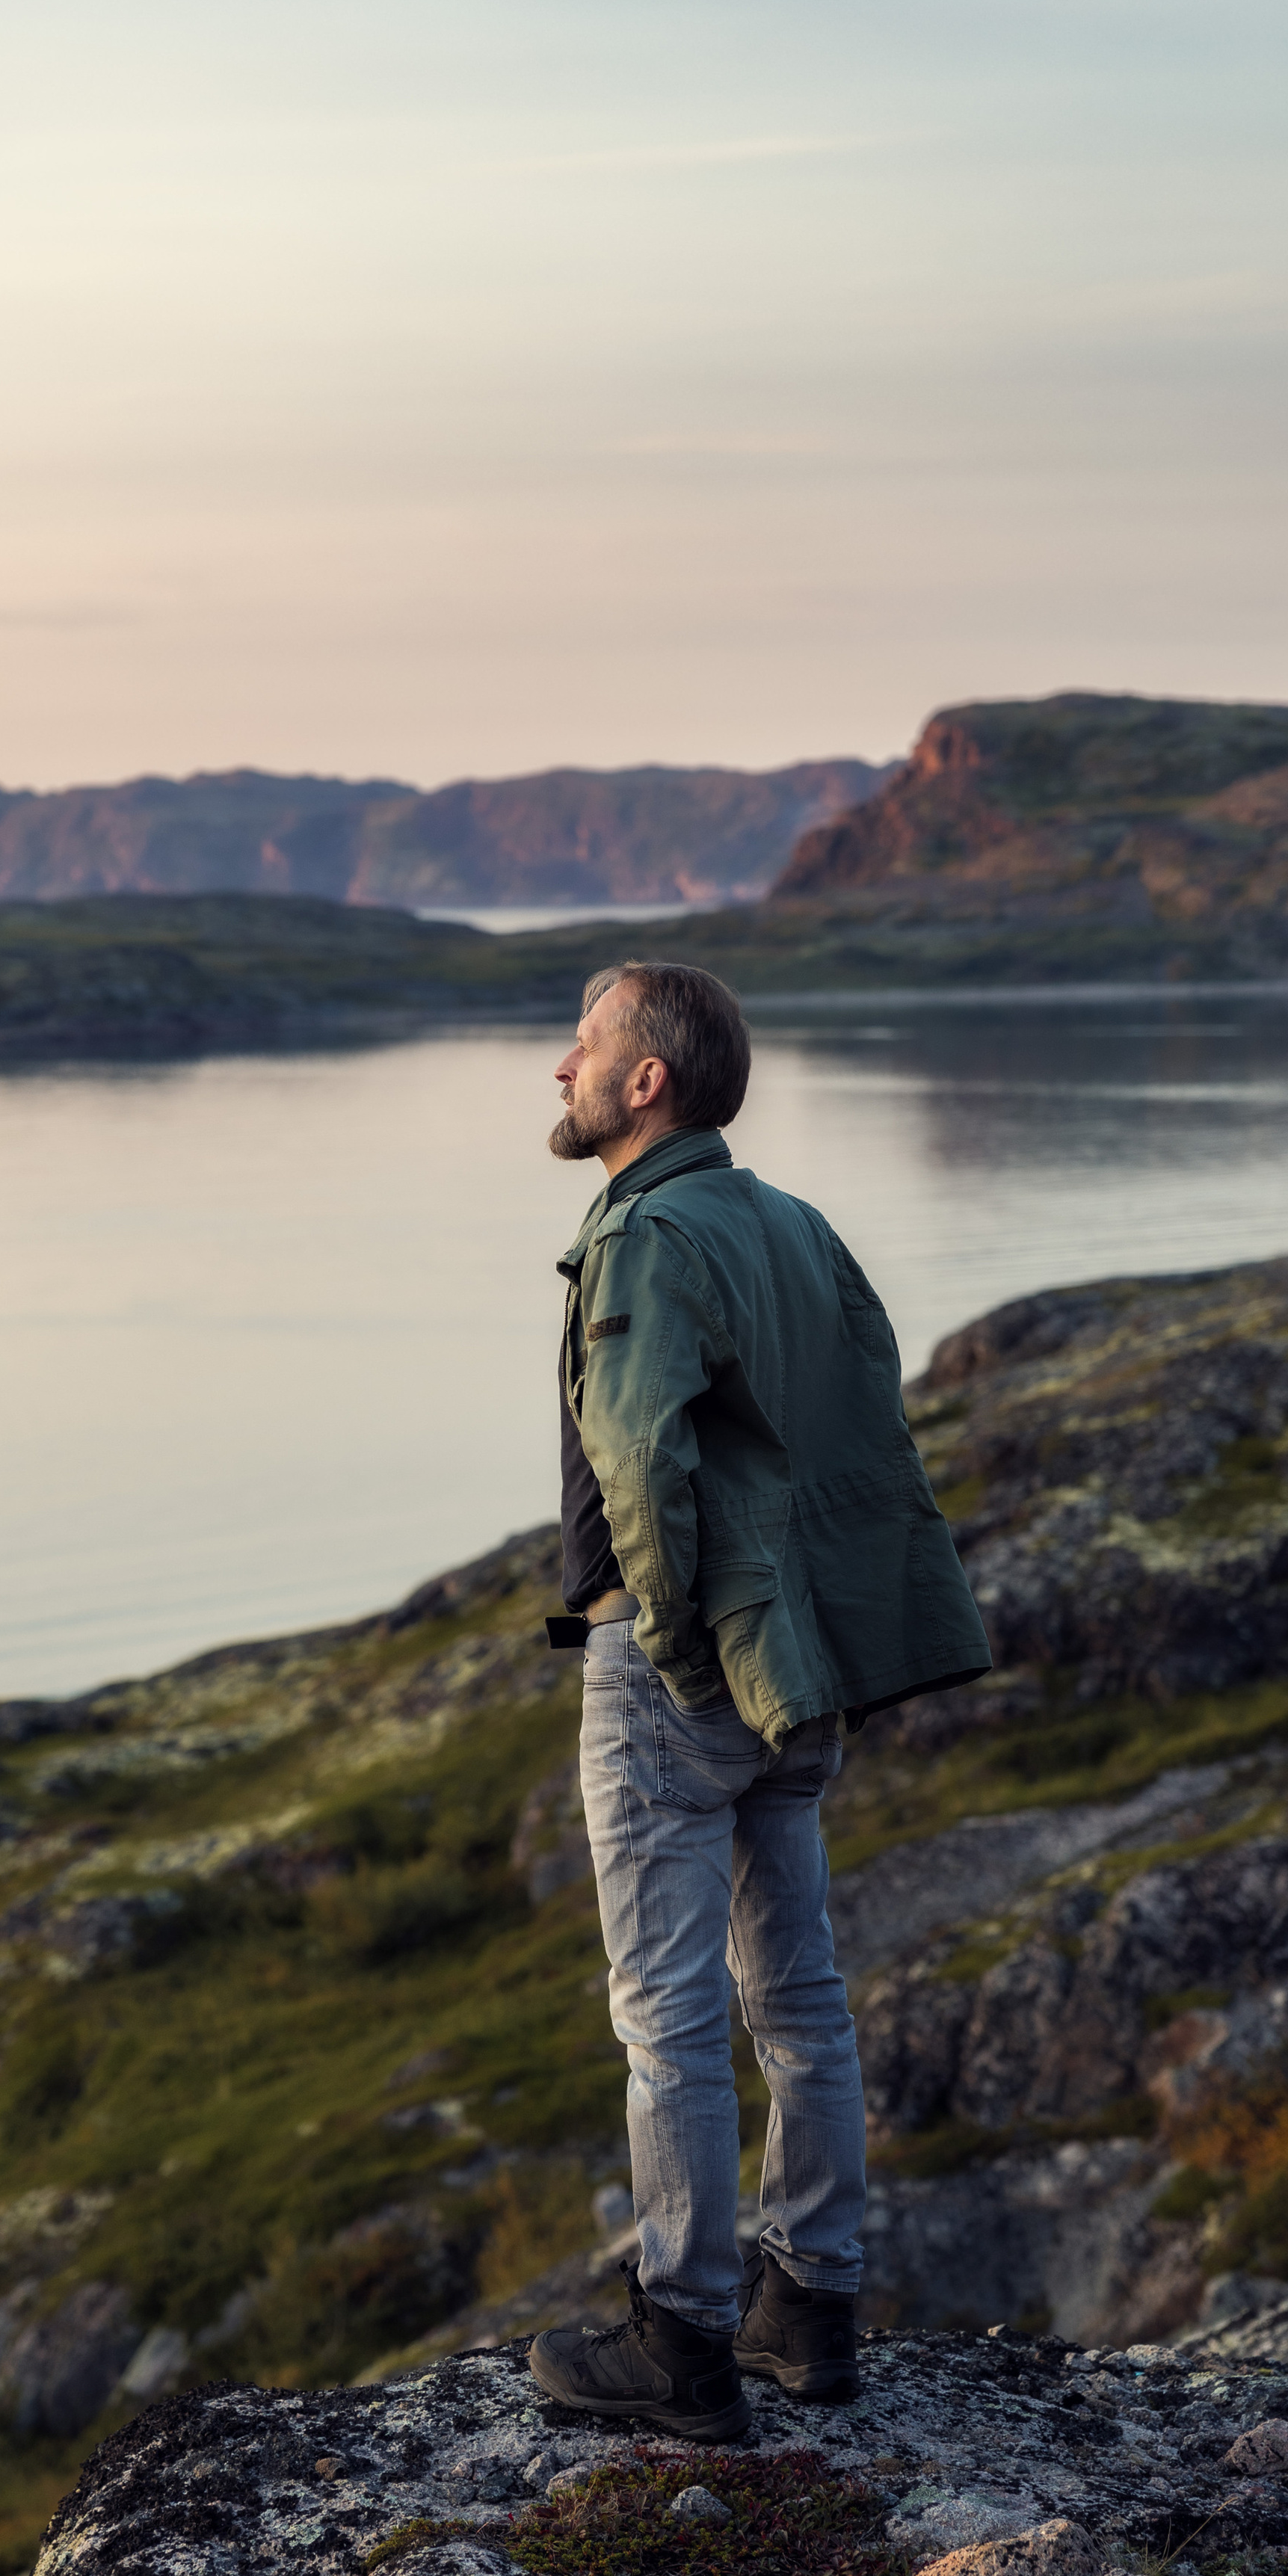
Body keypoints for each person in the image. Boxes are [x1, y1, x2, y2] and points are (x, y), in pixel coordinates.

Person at [526, 960, 990, 2438]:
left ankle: (681, 2343)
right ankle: (813, 2309)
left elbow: (639, 1462)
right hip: (794, 1668)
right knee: (795, 1994)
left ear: (645, 1080)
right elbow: (870, 1440)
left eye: (583, 1046)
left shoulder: (649, 1235)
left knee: (666, 2016)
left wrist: (665, 1650)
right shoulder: (795, 1226)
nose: (561, 1068)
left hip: (683, 1671)